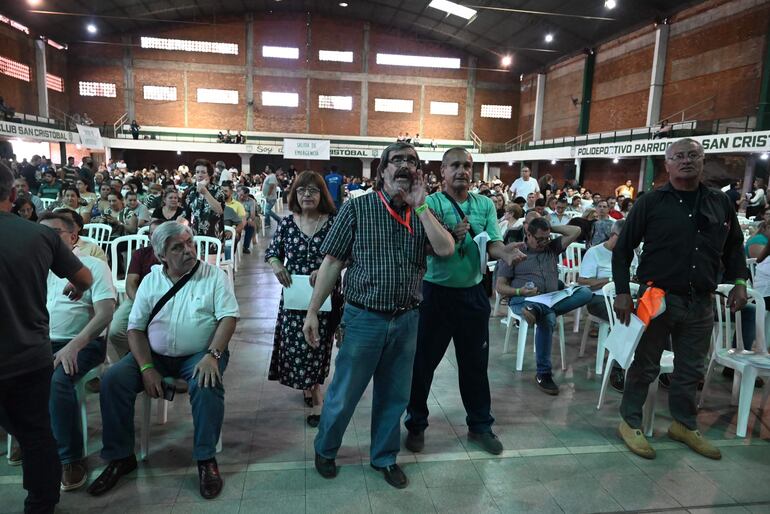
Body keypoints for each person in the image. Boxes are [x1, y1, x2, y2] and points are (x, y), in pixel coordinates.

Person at [302, 142, 454, 488]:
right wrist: (313, 310)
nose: (404, 165)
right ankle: (326, 449)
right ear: (382, 170)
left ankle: (384, 457)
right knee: (344, 392)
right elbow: (332, 263)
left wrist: (421, 208)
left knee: (395, 395)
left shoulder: (424, 211)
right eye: (396, 160)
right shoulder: (358, 209)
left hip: (407, 319)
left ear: (418, 172)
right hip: (364, 318)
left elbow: (445, 249)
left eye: (411, 161)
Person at [612, 138, 749, 461]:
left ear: (703, 161)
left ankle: (683, 424)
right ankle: (629, 422)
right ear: (667, 164)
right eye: (679, 157)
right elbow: (622, 249)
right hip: (657, 299)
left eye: (693, 155)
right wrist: (621, 291)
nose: (686, 161)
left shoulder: (719, 202)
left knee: (691, 369)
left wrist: (740, 282)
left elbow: (734, 248)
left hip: (701, 300)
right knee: (645, 365)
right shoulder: (651, 202)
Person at [88, 222, 239, 499]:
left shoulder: (213, 276)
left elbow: (228, 317)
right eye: (178, 247)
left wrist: (213, 355)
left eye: (190, 243)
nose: (188, 251)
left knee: (206, 383)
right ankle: (120, 456)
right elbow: (135, 328)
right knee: (113, 379)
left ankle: (206, 459)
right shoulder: (151, 280)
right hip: (154, 354)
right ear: (161, 256)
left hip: (200, 353)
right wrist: (146, 368)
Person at [404, 147, 526, 456]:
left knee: (475, 365)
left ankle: (480, 426)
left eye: (467, 166)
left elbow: (493, 243)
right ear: (442, 171)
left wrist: (506, 254)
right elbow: (421, 247)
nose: (462, 170)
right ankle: (416, 424)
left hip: (473, 295)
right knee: (423, 364)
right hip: (435, 294)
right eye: (455, 165)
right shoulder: (429, 203)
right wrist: (449, 235)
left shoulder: (484, 204)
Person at [0, 161, 93, 513]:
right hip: (28, 356)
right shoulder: (38, 235)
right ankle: (40, 504)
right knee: (37, 435)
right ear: (13, 194)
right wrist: (72, 284)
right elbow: (83, 279)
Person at [38, 212, 116, 491]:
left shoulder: (93, 265)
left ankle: (70, 458)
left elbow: (106, 312)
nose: (45, 239)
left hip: (83, 343)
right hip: (41, 342)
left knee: (59, 380)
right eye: (41, 233)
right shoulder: (36, 267)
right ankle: (26, 439)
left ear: (73, 237)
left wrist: (75, 344)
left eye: (54, 233)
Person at [266, 171, 341, 427]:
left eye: (313, 190)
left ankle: (315, 391)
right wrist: (277, 265)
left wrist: (325, 269)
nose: (307, 194)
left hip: (326, 294)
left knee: (319, 343)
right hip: (295, 294)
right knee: (298, 343)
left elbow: (347, 254)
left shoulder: (333, 222)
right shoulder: (287, 223)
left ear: (322, 195)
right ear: (294, 194)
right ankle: (308, 386)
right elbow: (272, 252)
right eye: (301, 190)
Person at [495, 217, 592, 395]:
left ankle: (537, 311)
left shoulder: (551, 247)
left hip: (551, 297)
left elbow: (576, 231)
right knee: (547, 319)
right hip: (523, 300)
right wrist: (520, 292)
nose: (543, 243)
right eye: (539, 239)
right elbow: (500, 286)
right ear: (528, 234)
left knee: (585, 293)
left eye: (547, 238)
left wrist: (549, 227)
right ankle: (543, 374)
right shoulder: (515, 253)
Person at [578, 220, 635, 391]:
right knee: (624, 318)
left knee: (655, 314)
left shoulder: (630, 253)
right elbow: (583, 282)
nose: (627, 244)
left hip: (627, 296)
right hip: (598, 298)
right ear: (612, 235)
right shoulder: (595, 252)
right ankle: (617, 368)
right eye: (623, 239)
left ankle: (654, 365)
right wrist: (612, 280)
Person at [108, 220, 161, 358]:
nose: (157, 237)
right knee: (115, 331)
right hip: (139, 298)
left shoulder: (174, 254)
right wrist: (141, 303)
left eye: (161, 233)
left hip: (167, 301)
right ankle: (137, 357)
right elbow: (131, 282)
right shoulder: (141, 254)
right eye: (153, 233)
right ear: (149, 237)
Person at [184, 159, 225, 240]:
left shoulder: (218, 190)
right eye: (197, 172)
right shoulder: (191, 191)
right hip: (195, 237)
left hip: (213, 236)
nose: (199, 175)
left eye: (203, 172)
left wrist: (205, 192)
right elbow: (186, 213)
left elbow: (219, 210)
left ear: (209, 175)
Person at [237, 186, 258, 254]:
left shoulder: (251, 201)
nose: (242, 197)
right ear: (238, 193)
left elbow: (252, 214)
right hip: (235, 219)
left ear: (247, 195)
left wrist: (250, 219)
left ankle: (245, 247)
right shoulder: (234, 199)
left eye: (244, 196)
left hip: (245, 220)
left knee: (250, 227)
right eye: (240, 195)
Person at [261, 165, 282, 230]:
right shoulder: (270, 176)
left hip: (271, 197)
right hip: (269, 196)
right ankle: (268, 223)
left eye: (266, 168)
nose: (265, 169)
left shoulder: (272, 176)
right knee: (266, 210)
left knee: (267, 211)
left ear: (270, 169)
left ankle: (278, 220)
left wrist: (268, 195)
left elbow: (271, 186)